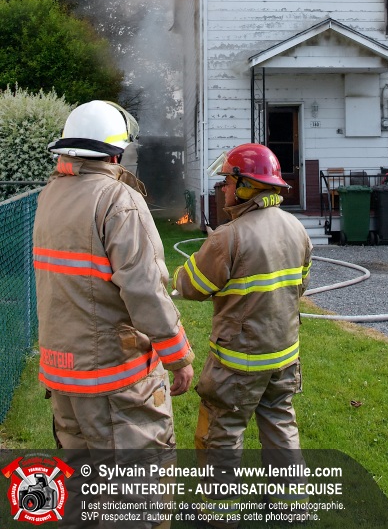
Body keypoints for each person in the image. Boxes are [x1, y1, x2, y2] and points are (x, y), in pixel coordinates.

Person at [33, 100, 194, 450]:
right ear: (115, 153)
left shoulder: (49, 195)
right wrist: (178, 357)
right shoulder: (117, 200)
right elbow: (145, 289)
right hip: (115, 382)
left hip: (61, 373)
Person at [174, 143, 312, 524]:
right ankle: (290, 506)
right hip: (284, 357)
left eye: (229, 182)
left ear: (248, 186)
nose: (224, 189)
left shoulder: (228, 237)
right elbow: (300, 285)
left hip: (238, 364)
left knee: (222, 432)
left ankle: (219, 512)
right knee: (280, 424)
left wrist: (181, 274)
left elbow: (192, 286)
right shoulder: (297, 229)